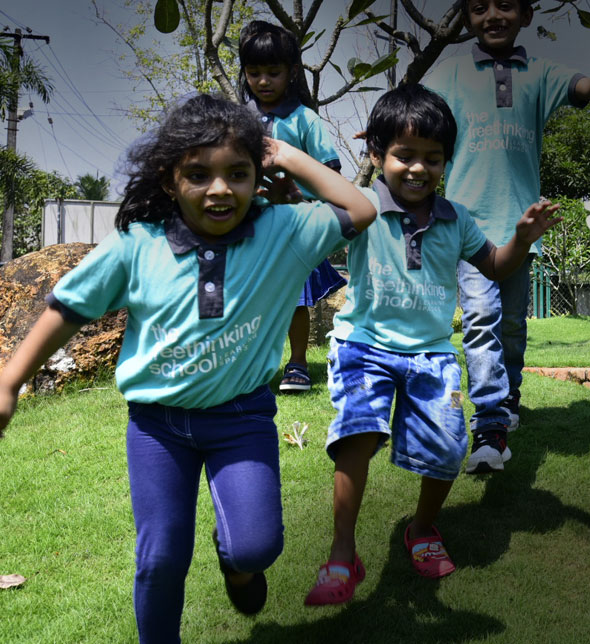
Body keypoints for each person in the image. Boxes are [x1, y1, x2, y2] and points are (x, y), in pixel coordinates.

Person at [0, 95, 376, 644]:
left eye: (238, 173)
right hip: (157, 427)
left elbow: (360, 209)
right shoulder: (138, 244)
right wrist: (9, 381)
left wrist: (284, 153)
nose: (220, 189)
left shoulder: (284, 232)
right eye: (198, 175)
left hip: (242, 420)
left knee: (256, 547)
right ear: (169, 180)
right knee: (159, 559)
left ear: (257, 176)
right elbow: (67, 308)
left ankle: (236, 565)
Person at [304, 85, 561, 606]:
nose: (419, 168)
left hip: (432, 353)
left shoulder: (457, 218)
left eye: (433, 157)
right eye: (405, 155)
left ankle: (421, 528)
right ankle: (342, 552)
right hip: (364, 346)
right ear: (377, 154)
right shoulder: (362, 209)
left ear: (447, 160)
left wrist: (521, 239)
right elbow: (311, 229)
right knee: (357, 436)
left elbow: (496, 266)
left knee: (447, 449)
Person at [425, 0, 590, 473]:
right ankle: (489, 426)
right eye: (480, 8)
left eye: (504, 5)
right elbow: (414, 119)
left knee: (512, 326)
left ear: (526, 14)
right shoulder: (447, 76)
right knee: (481, 322)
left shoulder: (540, 73)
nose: (492, 15)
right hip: (468, 229)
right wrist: (381, 139)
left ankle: (508, 396)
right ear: (467, 18)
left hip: (522, 229)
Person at [238, 20, 347, 393]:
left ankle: (297, 362)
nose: (263, 81)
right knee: (248, 297)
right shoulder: (238, 120)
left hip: (294, 226)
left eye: (273, 72)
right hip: (248, 227)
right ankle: (251, 366)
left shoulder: (305, 119)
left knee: (295, 299)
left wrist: (304, 197)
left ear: (292, 73)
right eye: (254, 72)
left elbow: (329, 172)